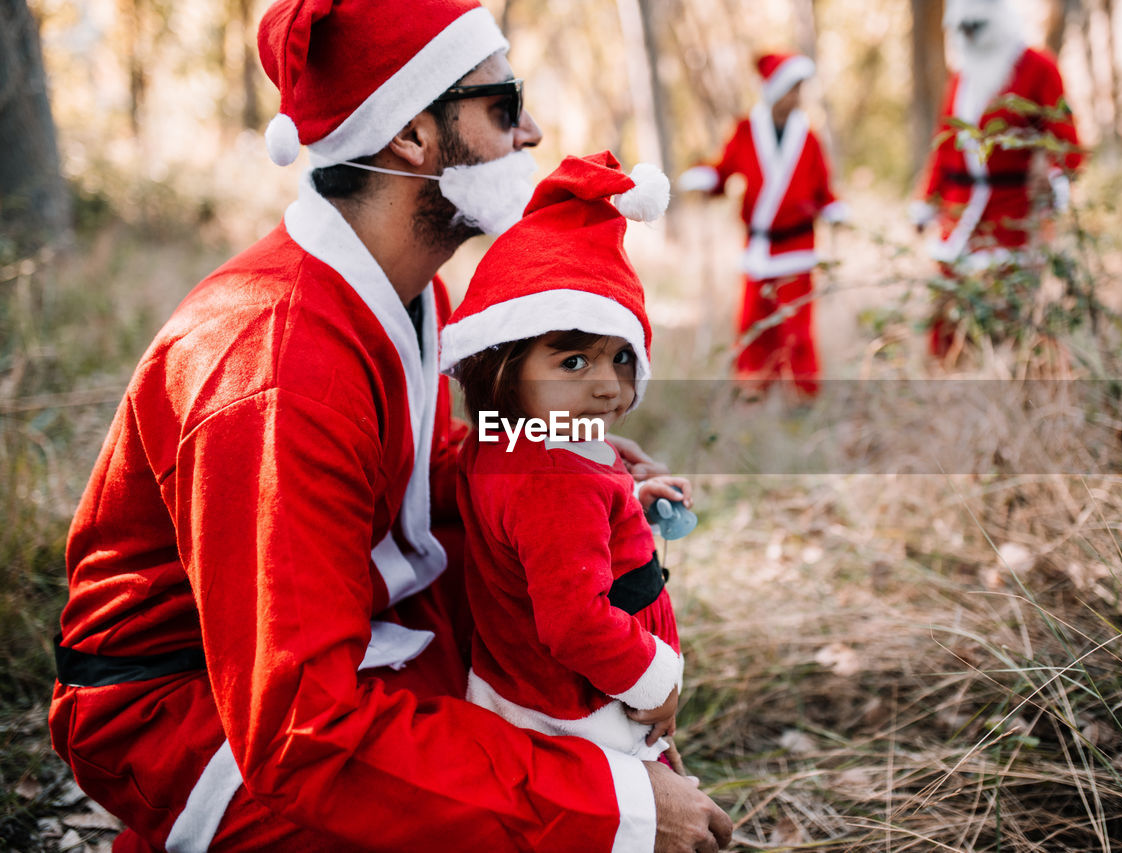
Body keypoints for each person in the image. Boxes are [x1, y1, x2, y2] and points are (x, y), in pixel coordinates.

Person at [47, 0, 732, 850]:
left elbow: (398, 472)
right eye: (503, 104)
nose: (533, 131)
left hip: (345, 631)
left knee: (573, 630)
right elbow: (299, 731)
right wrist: (613, 809)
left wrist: (539, 458)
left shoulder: (410, 290)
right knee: (562, 798)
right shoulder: (275, 366)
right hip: (192, 712)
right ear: (412, 135)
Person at [441, 151, 693, 768]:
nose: (608, 386)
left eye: (620, 357)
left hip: (524, 687)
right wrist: (653, 679)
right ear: (503, 364)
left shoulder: (507, 436)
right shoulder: (552, 479)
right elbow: (575, 622)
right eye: (573, 362)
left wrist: (627, 502)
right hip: (587, 708)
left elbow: (547, 543)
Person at [910, 0, 1084, 359]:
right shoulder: (962, 75)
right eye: (962, 30)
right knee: (949, 311)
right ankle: (949, 383)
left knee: (1008, 310)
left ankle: (1009, 380)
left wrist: (1053, 177)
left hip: (1012, 215)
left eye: (975, 27)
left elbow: (1066, 142)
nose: (968, 37)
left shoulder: (1037, 68)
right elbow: (944, 146)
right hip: (959, 213)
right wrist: (927, 200)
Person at [677, 52, 848, 399]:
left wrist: (834, 210)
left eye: (800, 90)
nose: (797, 97)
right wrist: (705, 179)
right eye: (791, 89)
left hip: (798, 247)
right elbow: (722, 172)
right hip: (757, 249)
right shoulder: (744, 131)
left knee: (797, 329)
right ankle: (754, 389)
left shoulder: (809, 138)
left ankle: (802, 394)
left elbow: (823, 188)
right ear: (774, 91)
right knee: (754, 324)